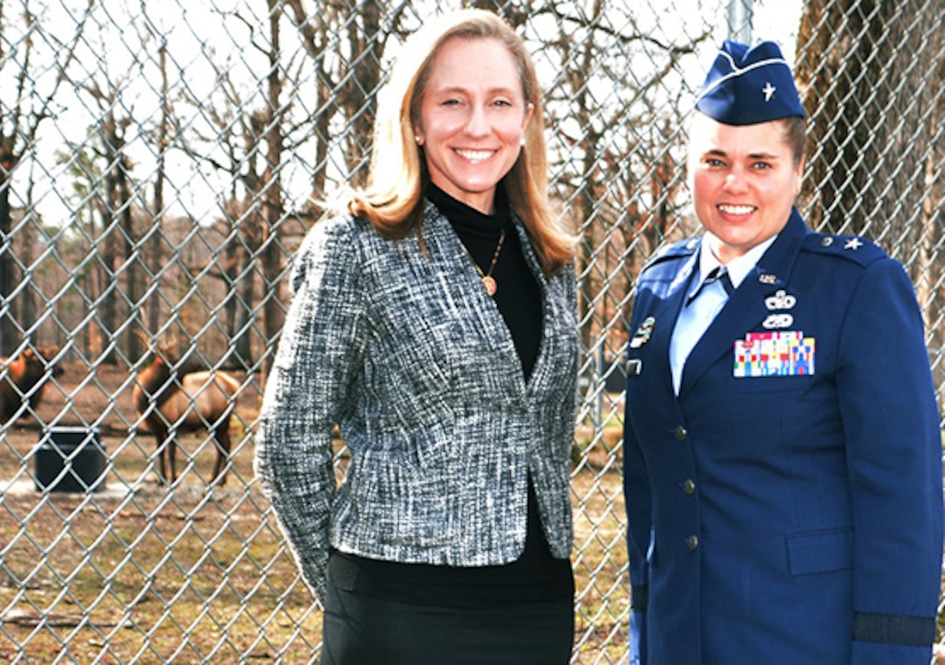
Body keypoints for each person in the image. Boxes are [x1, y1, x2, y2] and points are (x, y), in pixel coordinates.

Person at [253, 9, 580, 665]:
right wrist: (353, 585)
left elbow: (547, 433)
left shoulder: (551, 258)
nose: (478, 125)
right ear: (415, 118)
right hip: (401, 612)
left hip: (537, 608)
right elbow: (288, 442)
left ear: (527, 118)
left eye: (499, 102)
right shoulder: (357, 246)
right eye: (452, 101)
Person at [623, 39, 944, 665]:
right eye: (715, 159)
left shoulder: (853, 287)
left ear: (798, 171)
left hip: (802, 641)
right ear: (689, 165)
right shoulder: (657, 289)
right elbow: (649, 485)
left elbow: (902, 497)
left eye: (760, 163)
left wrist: (889, 655)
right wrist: (643, 631)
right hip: (677, 638)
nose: (734, 183)